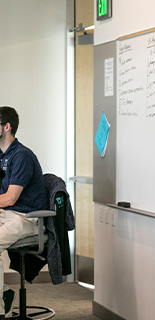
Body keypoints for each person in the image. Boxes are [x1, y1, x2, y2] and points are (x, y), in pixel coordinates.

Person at [0, 106, 47, 319]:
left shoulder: (22, 156)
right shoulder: (2, 156)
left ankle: (1, 309)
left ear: (6, 127)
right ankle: (4, 294)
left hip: (26, 218)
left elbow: (10, 198)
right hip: (6, 214)